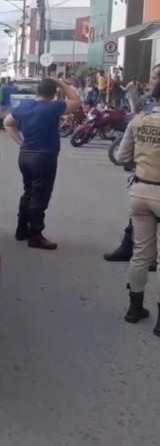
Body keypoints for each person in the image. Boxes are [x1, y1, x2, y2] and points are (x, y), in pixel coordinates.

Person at [3, 78, 81, 249]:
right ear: (54, 93)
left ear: (37, 91)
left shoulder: (23, 107)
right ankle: (35, 234)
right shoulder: (53, 107)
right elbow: (76, 101)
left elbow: (7, 122)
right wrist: (61, 83)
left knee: (28, 192)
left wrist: (19, 141)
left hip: (25, 155)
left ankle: (21, 229)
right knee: (40, 196)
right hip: (43, 156)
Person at [116, 79, 160, 336]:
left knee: (141, 253)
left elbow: (123, 157)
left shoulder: (139, 121)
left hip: (141, 191)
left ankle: (135, 308)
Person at [104, 64, 160, 262]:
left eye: (155, 77)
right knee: (138, 217)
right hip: (145, 177)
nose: (153, 81)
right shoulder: (149, 104)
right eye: (153, 76)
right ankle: (132, 249)